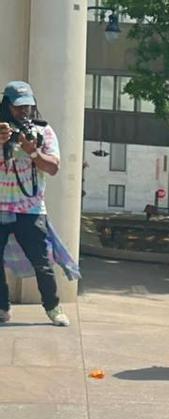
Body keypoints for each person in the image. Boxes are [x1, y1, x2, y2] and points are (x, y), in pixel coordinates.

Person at [0, 80, 68, 327]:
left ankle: (53, 307)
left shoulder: (43, 130)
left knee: (42, 261)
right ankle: (2, 307)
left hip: (30, 209)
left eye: (28, 106)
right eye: (18, 107)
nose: (24, 112)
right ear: (7, 106)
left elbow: (53, 168)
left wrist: (33, 152)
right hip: (0, 206)